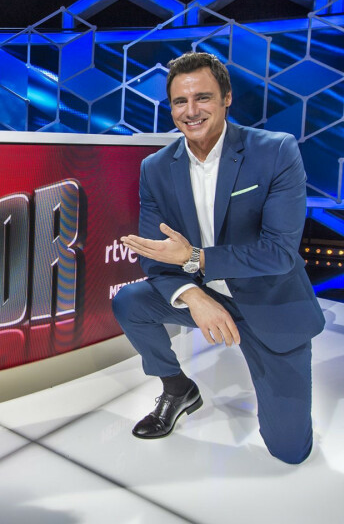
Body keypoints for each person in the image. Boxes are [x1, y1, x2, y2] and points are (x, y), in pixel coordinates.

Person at [111, 51, 325, 464]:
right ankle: (178, 390)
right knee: (130, 301)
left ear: (227, 98)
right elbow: (157, 258)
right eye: (180, 101)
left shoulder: (275, 151)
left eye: (203, 98)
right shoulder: (155, 167)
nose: (190, 111)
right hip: (208, 295)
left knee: (290, 451)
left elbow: (279, 253)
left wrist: (194, 258)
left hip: (272, 302)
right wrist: (194, 296)